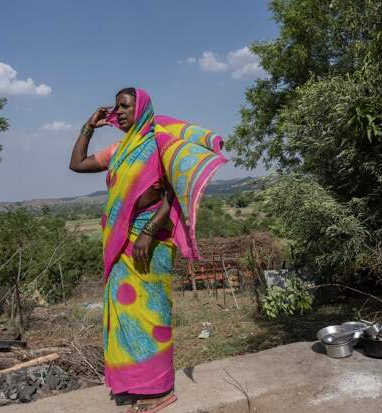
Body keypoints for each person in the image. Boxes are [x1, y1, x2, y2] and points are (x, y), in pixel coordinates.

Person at [69, 87, 226, 412]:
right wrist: (88, 125)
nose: (120, 112)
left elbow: (171, 191)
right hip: (122, 245)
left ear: (140, 109)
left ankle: (160, 391)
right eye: (116, 108)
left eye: (125, 106)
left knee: (150, 311)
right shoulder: (119, 149)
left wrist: (149, 233)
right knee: (127, 314)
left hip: (149, 243)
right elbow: (77, 164)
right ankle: (135, 384)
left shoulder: (158, 143)